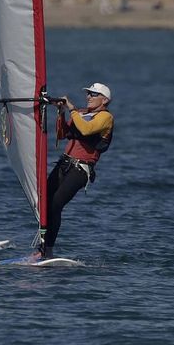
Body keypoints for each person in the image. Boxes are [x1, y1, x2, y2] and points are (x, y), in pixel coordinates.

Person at [39, 82, 115, 258]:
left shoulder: (106, 118)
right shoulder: (80, 113)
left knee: (56, 204)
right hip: (63, 164)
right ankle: (41, 248)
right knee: (43, 203)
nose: (88, 97)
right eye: (88, 93)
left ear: (104, 100)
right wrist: (61, 112)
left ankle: (48, 250)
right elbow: (61, 134)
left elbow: (87, 130)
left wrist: (71, 108)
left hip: (81, 169)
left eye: (93, 94)